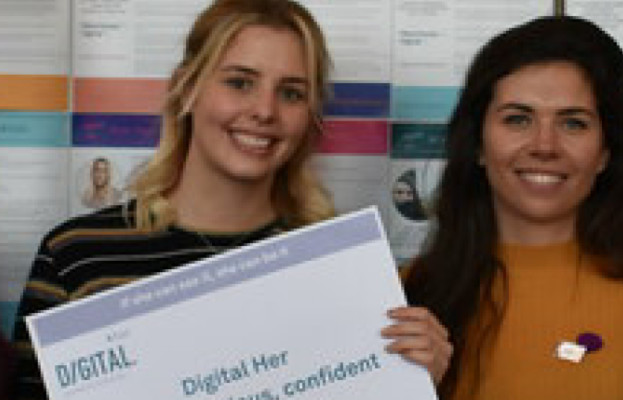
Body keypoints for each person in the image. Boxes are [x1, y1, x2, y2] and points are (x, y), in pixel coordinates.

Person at [12, 1, 451, 398]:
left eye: (291, 93)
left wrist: (411, 381)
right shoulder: (75, 254)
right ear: (187, 89)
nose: (265, 111)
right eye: (240, 82)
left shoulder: (344, 272)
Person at [404, 15, 623, 400]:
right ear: (478, 144)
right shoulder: (408, 294)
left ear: (605, 152)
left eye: (573, 123)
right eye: (518, 119)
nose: (544, 146)